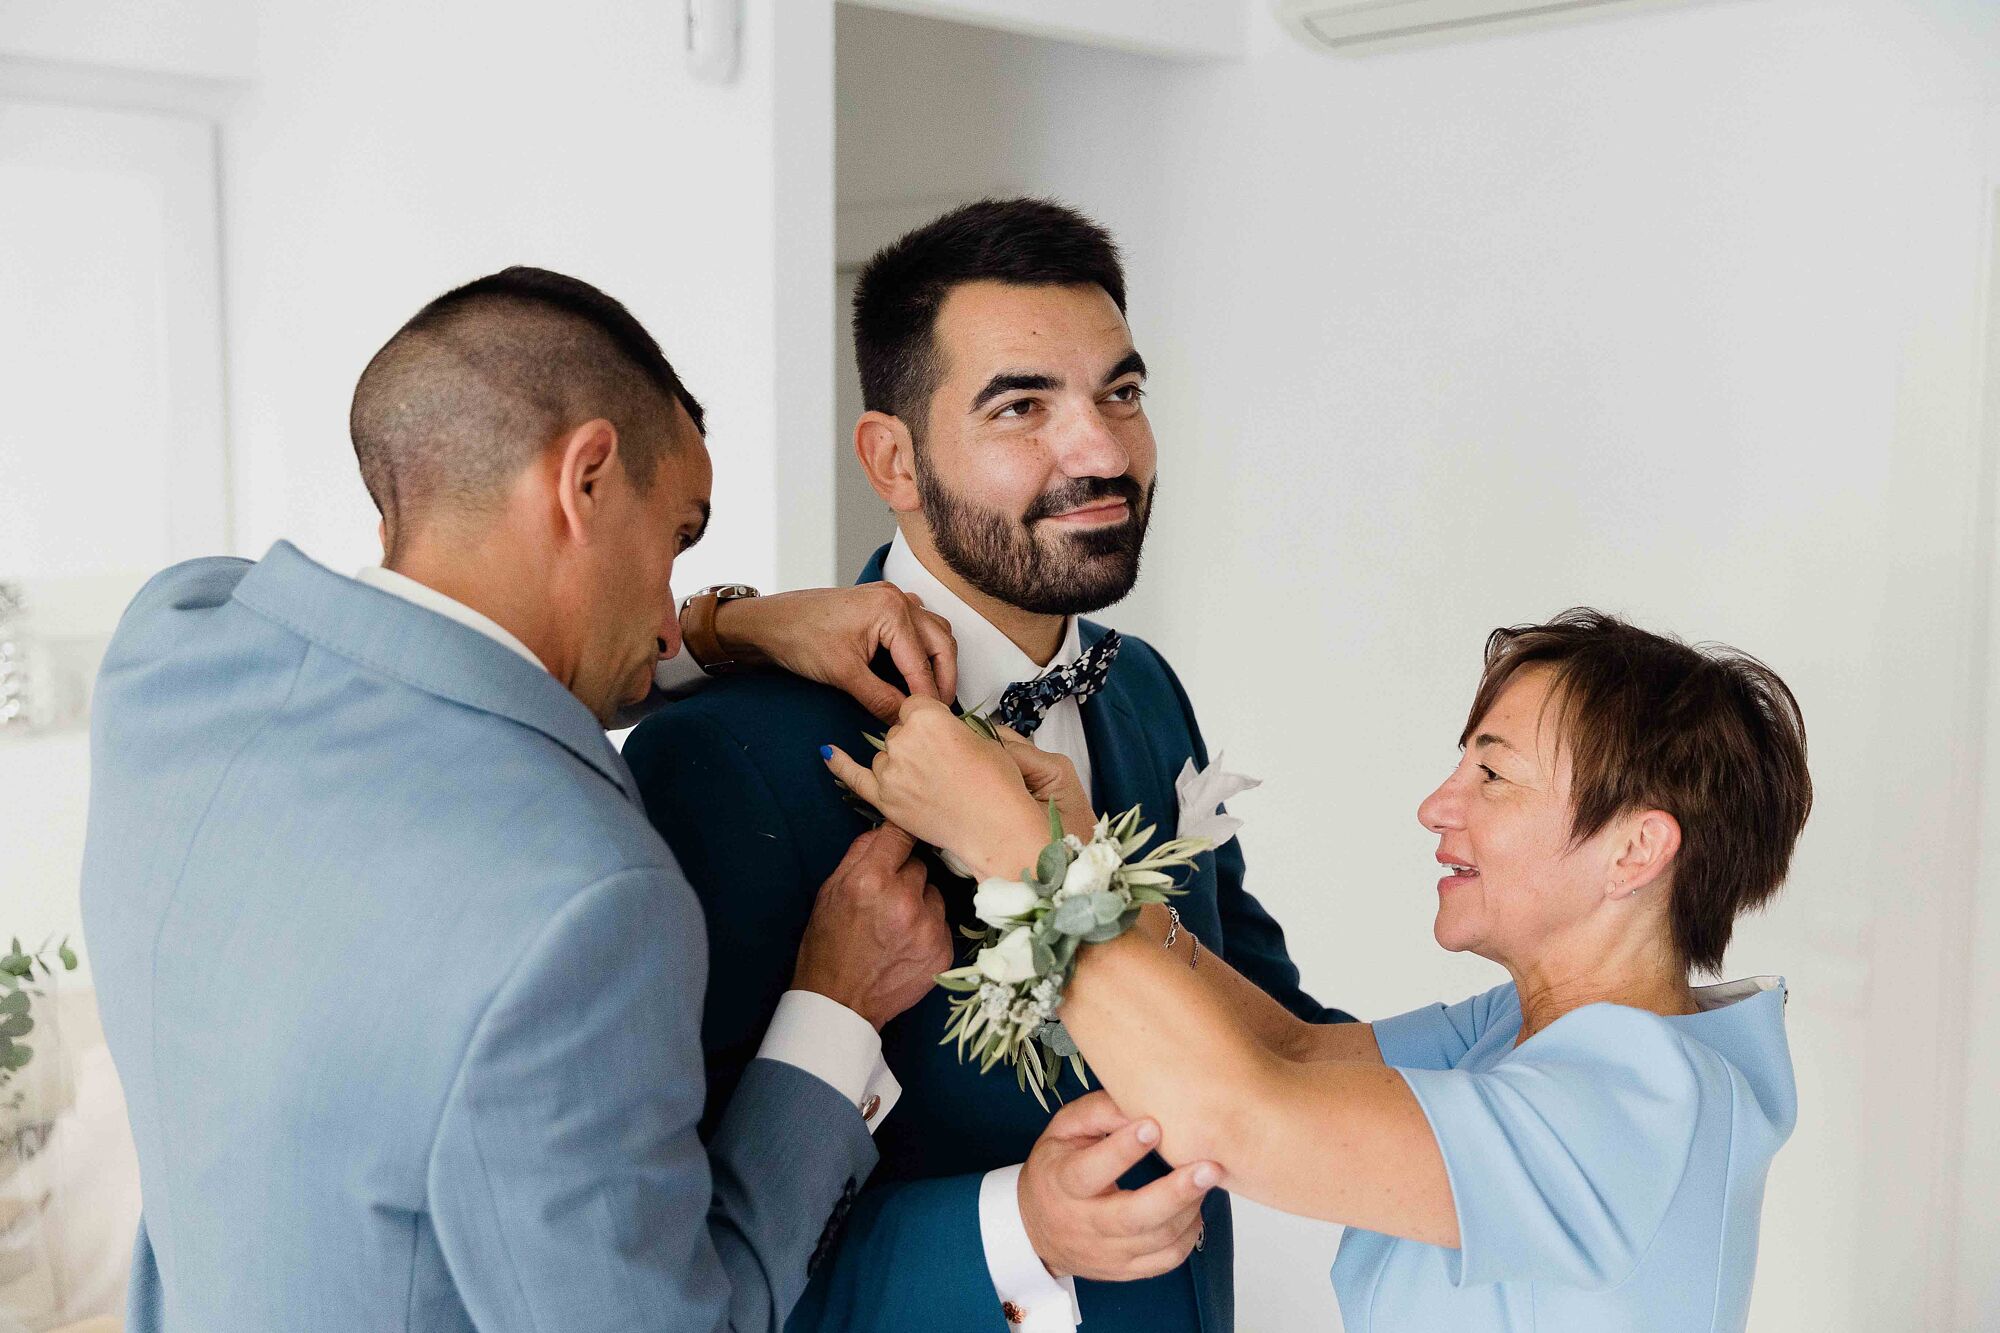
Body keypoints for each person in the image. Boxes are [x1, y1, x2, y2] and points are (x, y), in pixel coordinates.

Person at [80, 266, 961, 1332]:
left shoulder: (173, 644)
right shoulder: (588, 901)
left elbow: (430, 656)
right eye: (680, 533)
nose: (671, 614)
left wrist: (731, 630)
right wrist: (838, 1007)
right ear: (585, 476)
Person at [623, 198, 1353, 1333]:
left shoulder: (1146, 689)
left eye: (1121, 391)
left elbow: (1264, 1024)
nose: (1103, 450)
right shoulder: (726, 753)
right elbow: (685, 1251)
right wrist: (1019, 1228)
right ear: (893, 460)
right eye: (1024, 405)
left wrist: (1547, 1025)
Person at [837, 609, 1810, 1333]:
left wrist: (1013, 850)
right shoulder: (1526, 1030)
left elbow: (1235, 1113)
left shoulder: (1631, 1101)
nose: (1436, 805)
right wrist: (1086, 859)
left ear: (1635, 850)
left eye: (1491, 774)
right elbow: (1288, 1048)